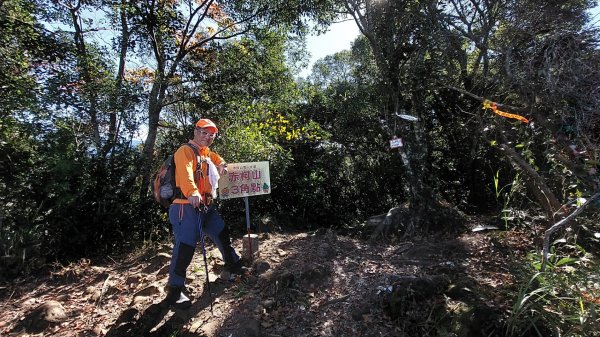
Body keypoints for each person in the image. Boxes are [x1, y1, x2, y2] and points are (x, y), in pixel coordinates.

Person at [164, 118, 245, 309]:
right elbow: (185, 174)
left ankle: (232, 263)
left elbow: (218, 159)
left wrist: (222, 164)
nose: (207, 137)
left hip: (206, 207)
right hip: (186, 206)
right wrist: (192, 192)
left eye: (211, 135)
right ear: (195, 131)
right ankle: (175, 289)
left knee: (221, 232)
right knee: (185, 247)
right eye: (204, 133)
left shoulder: (206, 153)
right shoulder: (185, 151)